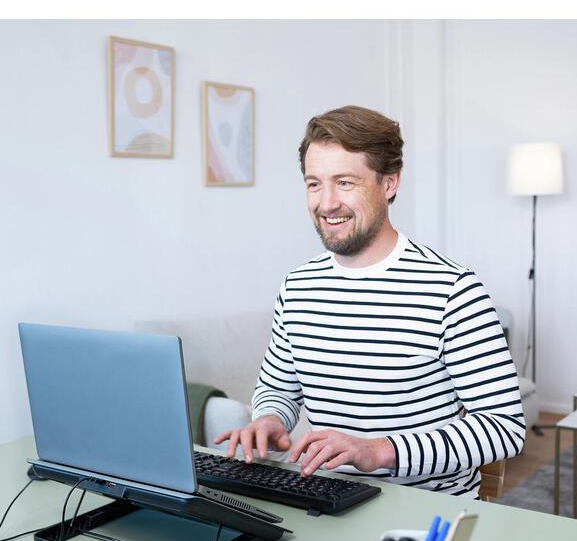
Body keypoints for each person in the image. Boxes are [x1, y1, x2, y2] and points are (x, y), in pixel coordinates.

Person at [215, 105, 525, 497]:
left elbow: (504, 427)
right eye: (314, 184)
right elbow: (278, 389)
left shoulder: (452, 290)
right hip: (324, 500)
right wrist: (270, 419)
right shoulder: (297, 287)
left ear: (389, 183)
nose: (326, 203)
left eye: (345, 182)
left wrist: (380, 451)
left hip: (425, 510)